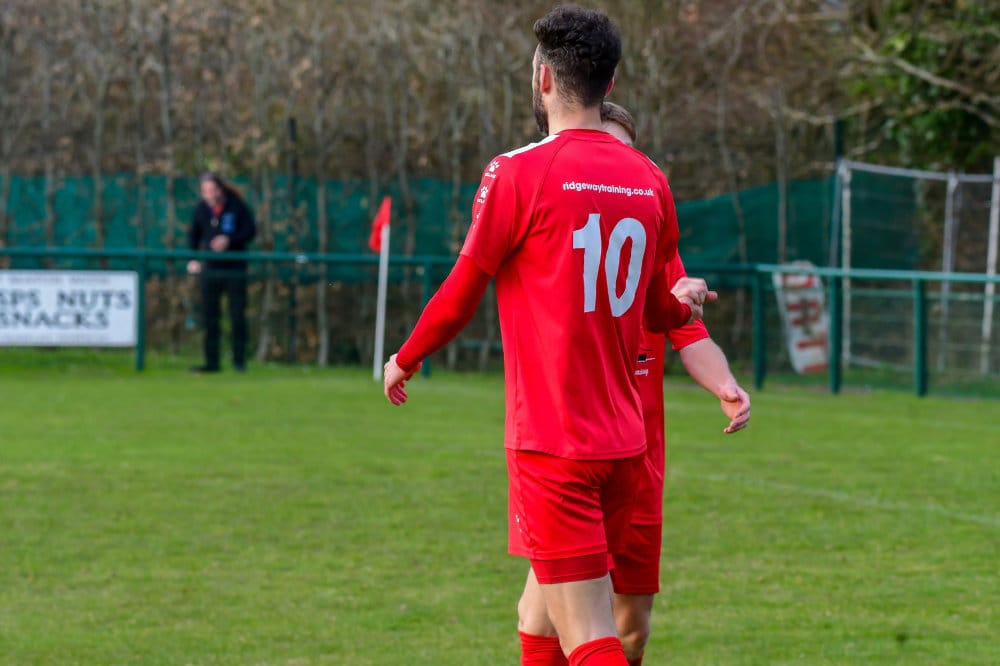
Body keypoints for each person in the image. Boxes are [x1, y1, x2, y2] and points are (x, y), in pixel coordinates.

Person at [383, 7, 714, 666]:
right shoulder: (650, 180)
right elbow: (658, 310)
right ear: (609, 83)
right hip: (624, 447)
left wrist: (406, 357)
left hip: (555, 444)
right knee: (537, 617)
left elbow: (460, 292)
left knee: (588, 634)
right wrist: (685, 309)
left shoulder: (516, 172)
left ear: (542, 80)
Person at [515, 102, 752, 666]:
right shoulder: (553, 231)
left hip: (636, 462)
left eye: (622, 149)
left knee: (629, 630)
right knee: (544, 617)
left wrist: (724, 384)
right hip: (569, 452)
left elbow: (689, 332)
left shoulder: (649, 244)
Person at [186, 172, 256, 373]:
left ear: (220, 189)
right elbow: (193, 236)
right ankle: (211, 362)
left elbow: (250, 231)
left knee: (237, 315)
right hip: (211, 269)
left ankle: (239, 362)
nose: (209, 194)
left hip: (235, 269)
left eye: (212, 189)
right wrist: (193, 259)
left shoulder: (237, 206)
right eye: (205, 191)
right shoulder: (201, 209)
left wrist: (229, 240)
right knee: (210, 317)